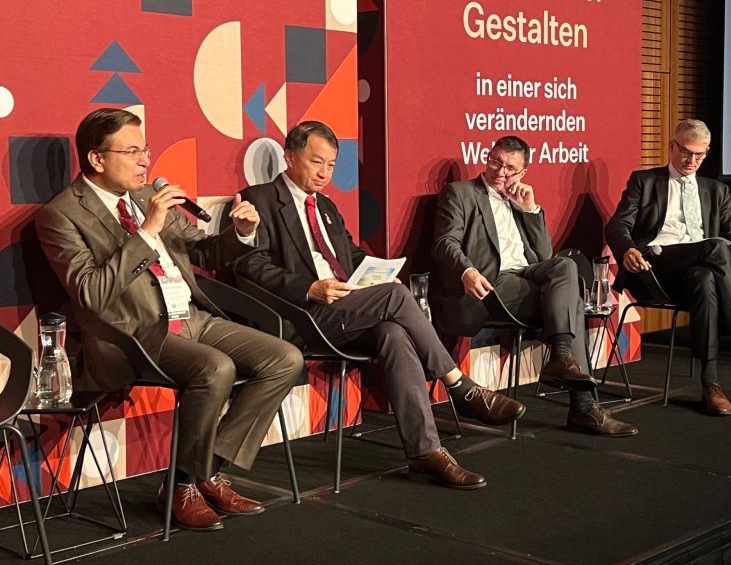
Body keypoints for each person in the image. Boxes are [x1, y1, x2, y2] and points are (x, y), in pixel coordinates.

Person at [36, 108, 304, 531]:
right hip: (133, 334)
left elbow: (205, 252)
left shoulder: (146, 196)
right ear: (97, 158)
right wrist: (147, 232)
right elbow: (91, 293)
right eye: (132, 152)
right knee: (216, 368)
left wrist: (240, 231)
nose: (145, 160)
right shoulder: (62, 215)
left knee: (285, 358)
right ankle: (183, 485)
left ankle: (202, 472)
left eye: (145, 149)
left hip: (191, 317)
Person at [237, 120, 526, 491]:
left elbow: (351, 254)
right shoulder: (259, 199)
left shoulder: (325, 205)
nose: (324, 173)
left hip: (345, 308)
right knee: (395, 297)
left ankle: (425, 452)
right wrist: (309, 288)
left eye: (331, 165)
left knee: (393, 334)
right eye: (316, 162)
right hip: (302, 313)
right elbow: (251, 265)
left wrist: (380, 273)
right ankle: (459, 386)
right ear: (289, 157)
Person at [431, 135, 638, 437]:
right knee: (572, 304)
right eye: (495, 162)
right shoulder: (460, 193)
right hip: (490, 285)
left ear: (523, 172)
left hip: (526, 276)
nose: (500, 172)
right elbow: (444, 241)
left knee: (565, 266)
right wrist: (467, 271)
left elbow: (544, 258)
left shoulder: (519, 198)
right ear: (488, 158)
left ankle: (563, 360)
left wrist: (529, 210)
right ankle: (581, 403)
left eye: (510, 169)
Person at [605, 119, 731, 415]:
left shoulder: (716, 190)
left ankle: (711, 385)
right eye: (686, 152)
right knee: (715, 248)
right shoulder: (644, 181)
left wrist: (726, 265)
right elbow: (617, 225)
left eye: (699, 154)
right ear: (672, 146)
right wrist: (628, 249)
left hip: (699, 269)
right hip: (655, 266)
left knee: (705, 276)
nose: (691, 160)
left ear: (707, 152)